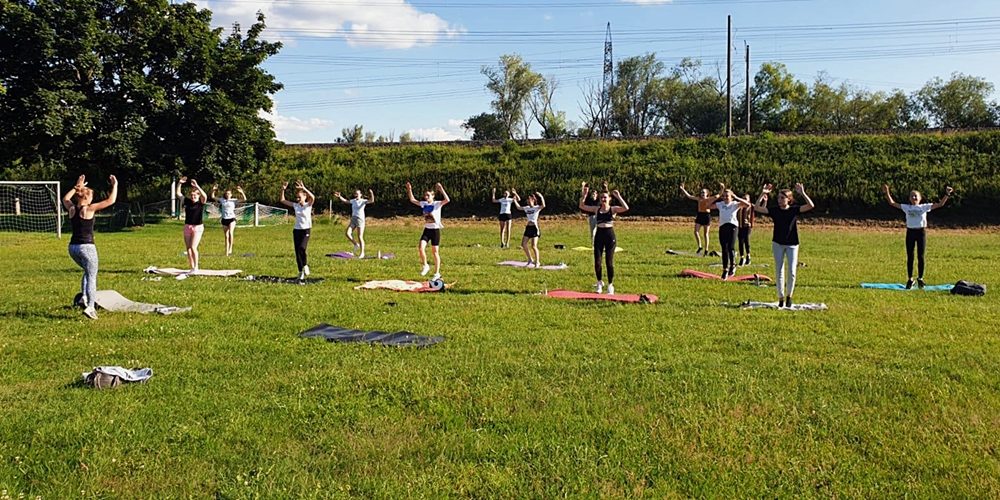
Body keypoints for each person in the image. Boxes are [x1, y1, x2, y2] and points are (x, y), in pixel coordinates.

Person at [63, 174, 118, 320]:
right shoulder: (89, 208)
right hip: (87, 247)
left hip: (72, 248)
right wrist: (115, 185)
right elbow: (111, 200)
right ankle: (91, 307)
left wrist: (76, 186)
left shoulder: (72, 209)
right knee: (92, 276)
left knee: (87, 271)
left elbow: (65, 199)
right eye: (92, 196)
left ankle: (83, 298)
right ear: (86, 198)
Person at [753, 183, 815, 308]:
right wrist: (763, 193)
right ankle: (780, 297)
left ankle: (789, 296)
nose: (779, 200)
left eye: (782, 198)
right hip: (778, 243)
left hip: (792, 244)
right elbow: (757, 208)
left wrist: (802, 193)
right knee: (779, 270)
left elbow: (811, 205)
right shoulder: (775, 210)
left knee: (792, 271)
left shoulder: (793, 210)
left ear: (789, 199)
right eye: (778, 198)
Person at [883, 184, 953, 289]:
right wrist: (886, 192)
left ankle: (920, 279)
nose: (914, 198)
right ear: (909, 199)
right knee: (910, 256)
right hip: (910, 233)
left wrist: (947, 194)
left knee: (921, 256)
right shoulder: (907, 208)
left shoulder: (924, 207)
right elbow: (892, 203)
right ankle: (910, 279)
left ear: (920, 198)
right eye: (912, 196)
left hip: (921, 233)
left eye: (916, 196)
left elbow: (940, 204)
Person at [579, 184, 629, 294]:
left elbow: (626, 208)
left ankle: (610, 285)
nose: (603, 199)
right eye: (602, 198)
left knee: (609, 262)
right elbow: (582, 206)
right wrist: (584, 194)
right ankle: (599, 282)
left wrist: (619, 196)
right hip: (599, 235)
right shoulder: (597, 209)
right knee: (597, 262)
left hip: (609, 236)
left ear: (609, 199)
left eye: (605, 197)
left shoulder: (613, 209)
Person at [406, 181, 450, 280]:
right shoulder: (423, 204)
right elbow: (412, 200)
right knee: (421, 247)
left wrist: (441, 189)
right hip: (427, 230)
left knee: (435, 252)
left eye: (428, 195)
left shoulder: (437, 204)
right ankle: (425, 265)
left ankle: (437, 273)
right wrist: (409, 190)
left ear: (433, 196)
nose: (426, 197)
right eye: (425, 195)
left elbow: (447, 199)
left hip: (435, 231)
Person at [712, 185, 753, 279]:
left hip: (733, 226)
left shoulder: (735, 204)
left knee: (731, 247)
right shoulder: (720, 204)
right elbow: (707, 206)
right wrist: (717, 196)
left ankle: (732, 265)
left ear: (731, 197)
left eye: (727, 196)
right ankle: (725, 269)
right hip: (723, 227)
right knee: (724, 248)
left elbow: (747, 204)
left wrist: (736, 197)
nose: (726, 198)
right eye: (724, 196)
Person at [279, 180, 315, 280]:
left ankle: (305, 265)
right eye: (297, 197)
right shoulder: (296, 206)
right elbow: (282, 200)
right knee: (297, 251)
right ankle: (300, 271)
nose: (298, 199)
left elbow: (313, 197)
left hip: (305, 230)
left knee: (302, 248)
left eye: (300, 197)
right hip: (297, 230)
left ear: (305, 197)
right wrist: (283, 189)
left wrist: (304, 188)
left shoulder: (308, 205)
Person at [177, 177, 208, 271]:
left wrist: (197, 186)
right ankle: (192, 267)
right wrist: (179, 183)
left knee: (193, 247)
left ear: (198, 196)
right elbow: (178, 194)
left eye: (195, 195)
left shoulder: (201, 203)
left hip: (197, 227)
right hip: (187, 226)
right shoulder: (187, 202)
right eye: (192, 195)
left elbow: (205, 196)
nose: (193, 197)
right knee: (188, 248)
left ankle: (196, 267)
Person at [680, 183, 720, 256]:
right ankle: (700, 246)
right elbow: (689, 196)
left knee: (706, 234)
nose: (702, 193)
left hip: (706, 216)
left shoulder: (709, 199)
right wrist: (683, 189)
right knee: (696, 231)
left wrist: (722, 189)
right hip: (700, 215)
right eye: (701, 192)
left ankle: (706, 249)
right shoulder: (699, 199)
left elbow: (718, 196)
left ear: (707, 194)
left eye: (704, 192)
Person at [334, 188, 374, 258]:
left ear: (360, 195)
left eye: (357, 194)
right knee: (347, 233)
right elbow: (346, 201)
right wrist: (339, 197)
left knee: (360, 236)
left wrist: (371, 193)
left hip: (360, 220)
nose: (356, 195)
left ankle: (362, 253)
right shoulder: (353, 201)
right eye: (355, 194)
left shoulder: (363, 201)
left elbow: (372, 200)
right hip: (353, 219)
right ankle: (356, 244)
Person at [210, 184, 246, 257]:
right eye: (226, 193)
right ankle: (226, 250)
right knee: (226, 236)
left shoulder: (234, 200)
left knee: (231, 233)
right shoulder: (222, 200)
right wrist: (213, 190)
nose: (227, 194)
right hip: (224, 219)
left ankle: (230, 248)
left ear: (231, 194)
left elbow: (244, 199)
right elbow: (213, 197)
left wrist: (241, 192)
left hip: (232, 219)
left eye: (229, 193)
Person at [513, 189, 546, 267]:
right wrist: (515, 200)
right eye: (528, 199)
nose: (528, 201)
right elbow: (519, 207)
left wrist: (541, 196)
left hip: (534, 228)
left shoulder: (536, 208)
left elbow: (543, 205)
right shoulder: (527, 208)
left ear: (534, 200)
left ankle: (537, 262)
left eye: (530, 199)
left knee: (534, 246)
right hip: (528, 228)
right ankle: (530, 259)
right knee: (523, 244)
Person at [737, 192, 755, 266]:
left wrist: (751, 223)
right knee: (740, 241)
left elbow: (759, 207)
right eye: (743, 198)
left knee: (746, 240)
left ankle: (748, 255)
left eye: (746, 199)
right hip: (739, 226)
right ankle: (742, 257)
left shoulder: (751, 206)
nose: (744, 200)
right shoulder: (739, 207)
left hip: (747, 226)